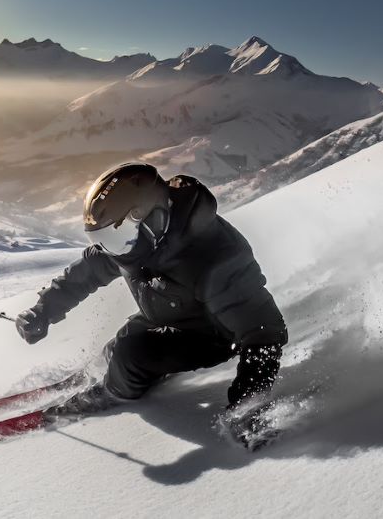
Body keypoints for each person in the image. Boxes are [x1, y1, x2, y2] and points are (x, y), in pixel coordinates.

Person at [16, 162, 288, 418]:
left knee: (130, 352)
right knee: (119, 342)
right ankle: (97, 375)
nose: (112, 250)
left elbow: (264, 333)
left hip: (214, 335)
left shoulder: (213, 258)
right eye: (103, 241)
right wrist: (43, 311)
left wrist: (247, 403)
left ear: (151, 219)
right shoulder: (131, 243)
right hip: (172, 312)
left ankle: (113, 394)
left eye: (115, 239)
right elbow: (84, 275)